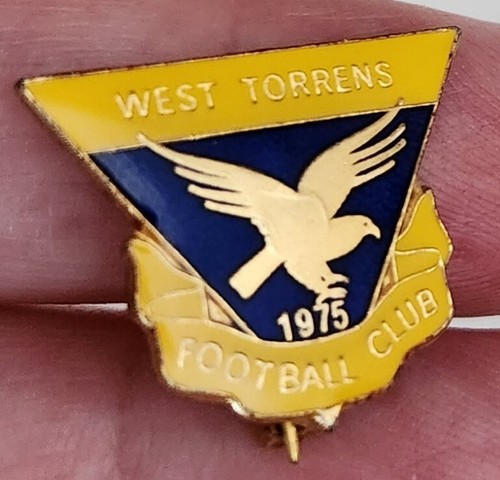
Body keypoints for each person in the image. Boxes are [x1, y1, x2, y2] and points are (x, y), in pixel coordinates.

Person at [0, 0, 499, 478]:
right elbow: (278, 227)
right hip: (273, 262)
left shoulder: (335, 223)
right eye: (364, 227)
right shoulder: (307, 211)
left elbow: (328, 237)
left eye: (365, 228)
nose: (366, 230)